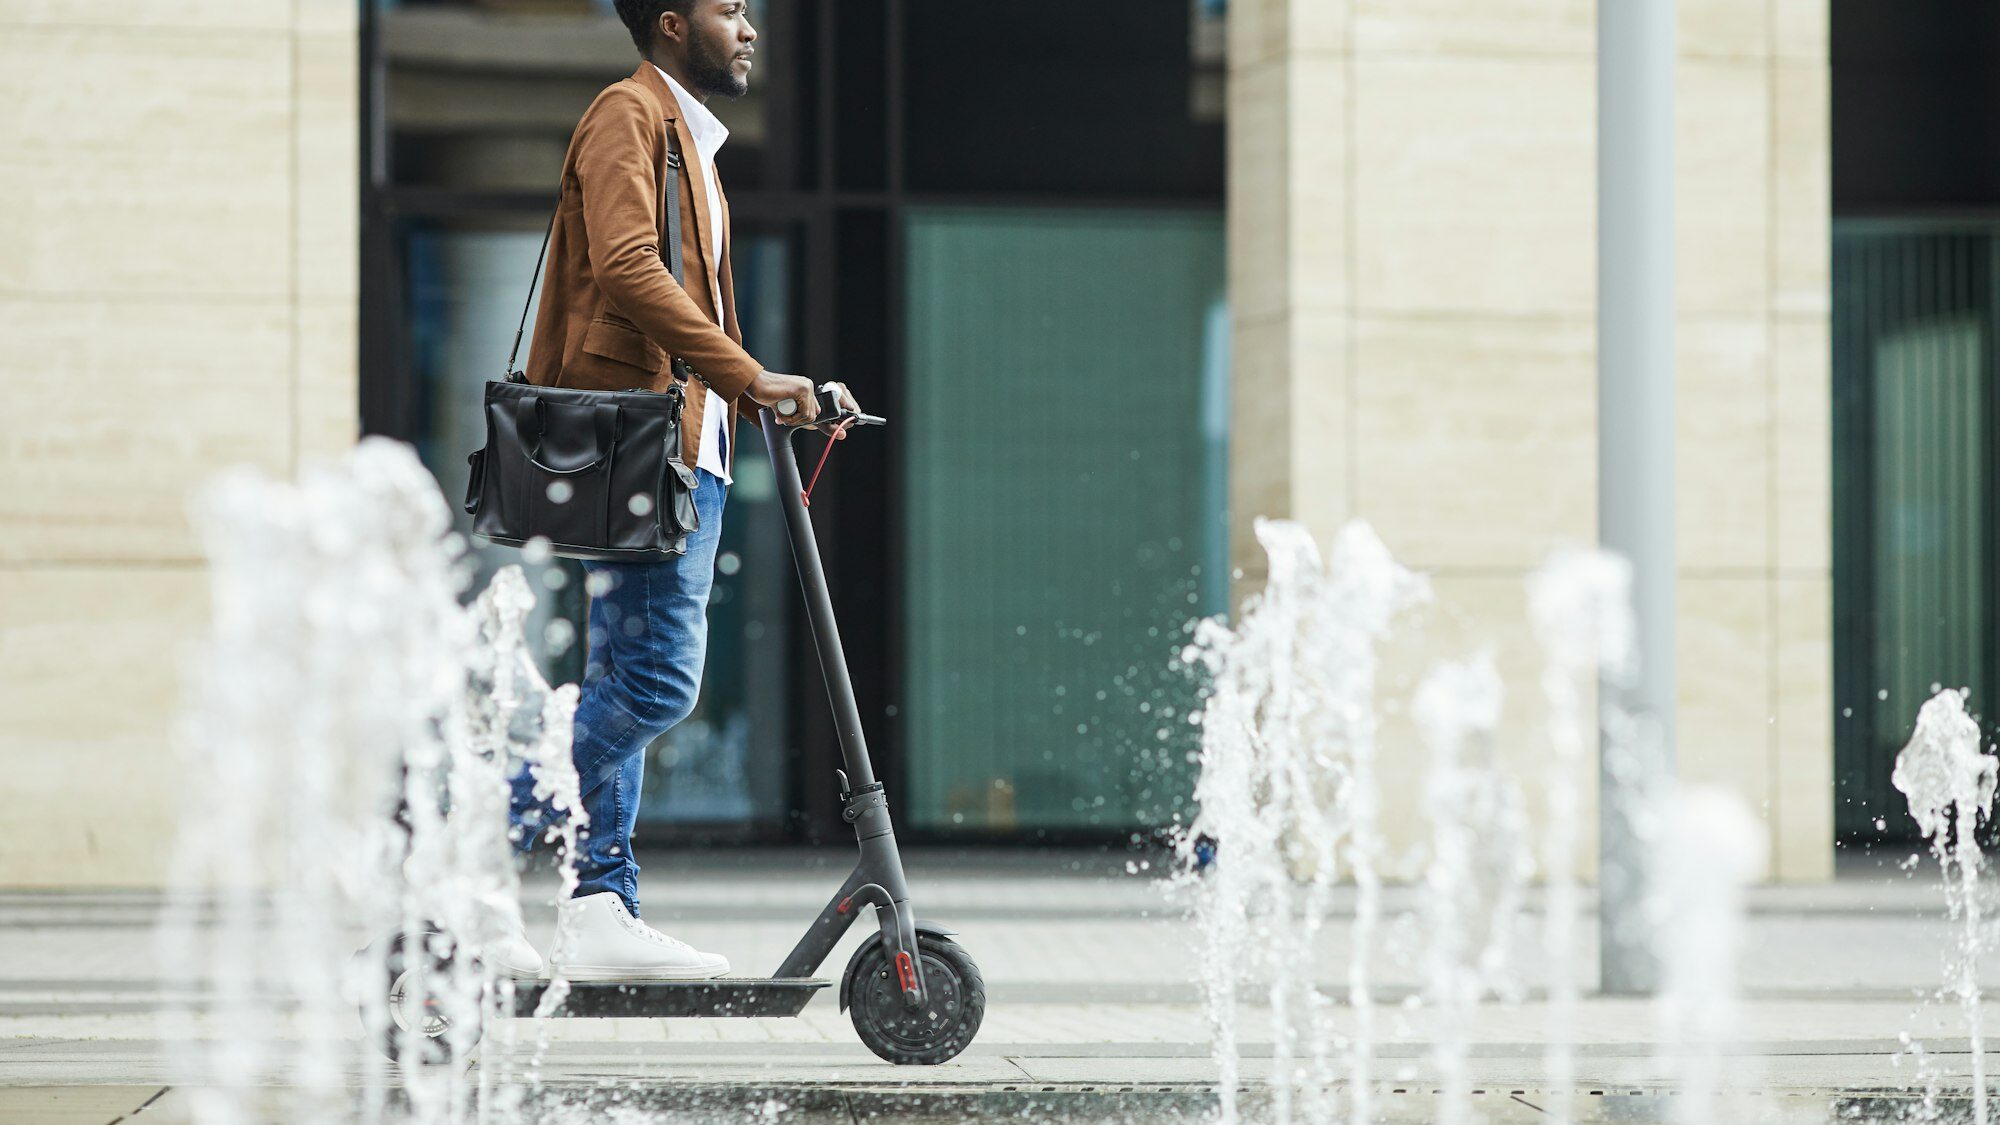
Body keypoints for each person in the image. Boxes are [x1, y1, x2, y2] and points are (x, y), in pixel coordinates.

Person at [496, 0, 859, 981]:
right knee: (656, 682)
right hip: (639, 443)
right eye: (729, 8)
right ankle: (468, 840)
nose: (748, 27)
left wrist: (768, 393)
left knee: (622, 673)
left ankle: (600, 904)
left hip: (675, 442)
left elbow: (685, 305)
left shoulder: (689, 140)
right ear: (668, 21)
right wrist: (749, 377)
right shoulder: (627, 114)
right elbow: (622, 265)